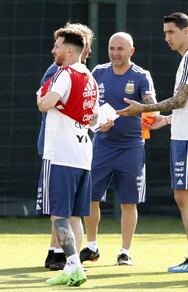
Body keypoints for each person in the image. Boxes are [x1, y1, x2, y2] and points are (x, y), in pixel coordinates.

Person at [117, 12, 188, 273]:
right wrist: (166, 120)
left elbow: (181, 99)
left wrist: (143, 110)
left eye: (171, 32)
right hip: (183, 132)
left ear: (186, 30)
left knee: (184, 194)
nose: (166, 38)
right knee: (182, 194)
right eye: (165, 33)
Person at [79, 32, 157, 266]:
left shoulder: (141, 76)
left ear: (131, 51)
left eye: (120, 49)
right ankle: (91, 246)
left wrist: (144, 106)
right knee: (90, 197)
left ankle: (125, 251)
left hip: (131, 147)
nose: (115, 53)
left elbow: (152, 107)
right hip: (101, 145)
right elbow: (87, 107)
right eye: (112, 48)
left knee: (128, 201)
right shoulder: (98, 72)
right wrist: (96, 124)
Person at [37, 25, 98, 286]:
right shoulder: (91, 78)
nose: (54, 50)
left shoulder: (65, 74)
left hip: (61, 154)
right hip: (83, 154)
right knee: (75, 215)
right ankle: (73, 267)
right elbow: (93, 117)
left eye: (58, 46)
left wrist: (42, 95)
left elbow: (44, 103)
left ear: (70, 50)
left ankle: (72, 266)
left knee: (59, 215)